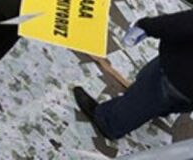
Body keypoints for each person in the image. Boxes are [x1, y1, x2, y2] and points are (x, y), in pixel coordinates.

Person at [73, 8, 193, 141]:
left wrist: (147, 26)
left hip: (178, 72)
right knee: (175, 102)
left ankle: (108, 122)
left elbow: (184, 23)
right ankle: (159, 109)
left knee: (148, 94)